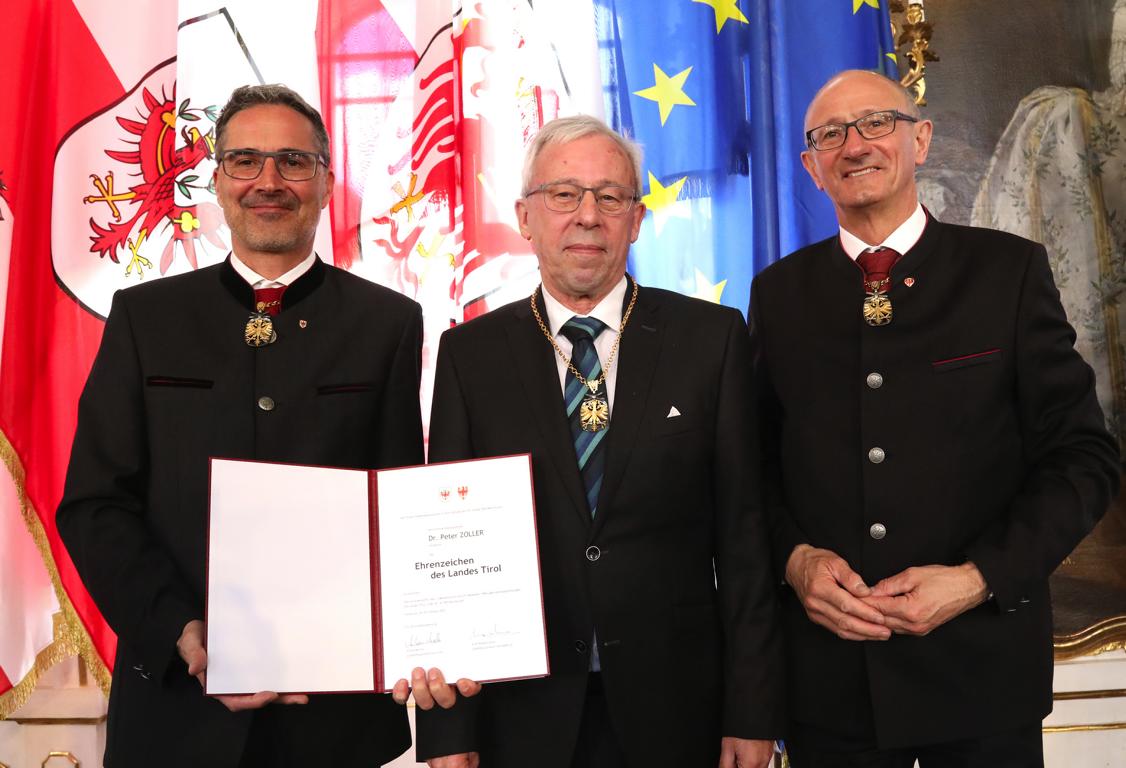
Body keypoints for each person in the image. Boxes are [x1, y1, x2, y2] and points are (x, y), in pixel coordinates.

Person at [749, 69, 1121, 766]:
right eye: (831, 134)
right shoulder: (780, 295)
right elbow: (755, 468)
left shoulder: (1006, 275)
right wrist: (794, 560)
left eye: (875, 124)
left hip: (981, 677)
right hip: (831, 690)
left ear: (920, 140)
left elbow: (1084, 460)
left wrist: (979, 577)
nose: (853, 144)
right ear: (811, 167)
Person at [57, 83, 432, 767]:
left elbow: (398, 509)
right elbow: (94, 504)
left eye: (293, 161)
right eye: (245, 161)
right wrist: (182, 631)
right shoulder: (147, 318)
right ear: (218, 181)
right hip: (173, 714)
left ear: (325, 180)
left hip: (335, 719)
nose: (269, 181)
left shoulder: (388, 323)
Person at [414, 115, 785, 768]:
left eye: (610, 197)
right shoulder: (470, 355)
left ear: (636, 219)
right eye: (564, 195)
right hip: (521, 713)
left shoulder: (711, 339)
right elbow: (447, 546)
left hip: (678, 710)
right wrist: (451, 732)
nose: (588, 216)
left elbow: (745, 543)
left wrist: (753, 714)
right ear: (526, 216)